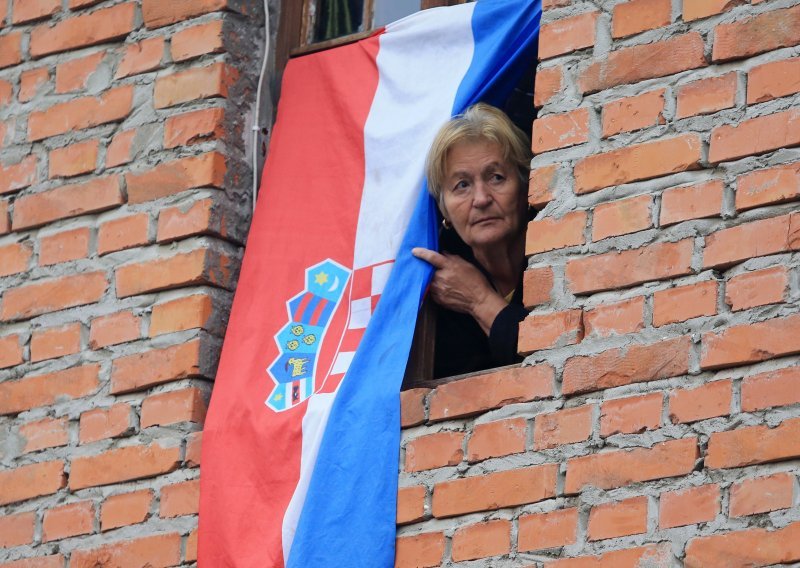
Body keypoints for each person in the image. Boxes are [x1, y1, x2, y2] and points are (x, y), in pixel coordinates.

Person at [412, 102, 533, 378]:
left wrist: (478, 299)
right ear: (444, 211)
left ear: (527, 187)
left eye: (497, 177)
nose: (481, 199)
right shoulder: (440, 290)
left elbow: (559, 359)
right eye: (462, 185)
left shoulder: (561, 255)